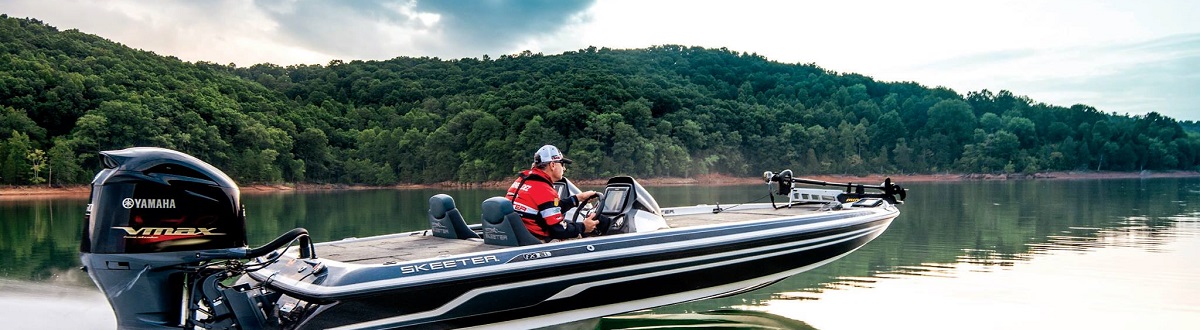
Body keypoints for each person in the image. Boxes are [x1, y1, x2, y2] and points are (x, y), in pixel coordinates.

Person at [506, 145, 603, 242]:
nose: (564, 169)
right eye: (562, 164)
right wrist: (583, 227)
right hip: (536, 242)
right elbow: (559, 230)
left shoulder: (521, 180)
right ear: (552, 165)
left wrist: (578, 198)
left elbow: (548, 208)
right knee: (585, 239)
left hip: (518, 237)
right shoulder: (544, 190)